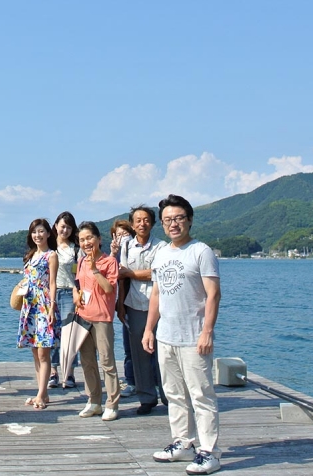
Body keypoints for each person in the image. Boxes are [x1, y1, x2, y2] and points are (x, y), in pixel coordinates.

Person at [143, 195, 222, 474]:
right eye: (167, 220)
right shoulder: (161, 253)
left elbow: (213, 295)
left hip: (193, 337)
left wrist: (207, 332)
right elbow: (156, 294)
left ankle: (209, 452)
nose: (173, 224)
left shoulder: (201, 251)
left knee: (201, 396)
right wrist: (149, 329)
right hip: (166, 336)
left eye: (178, 218)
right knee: (174, 394)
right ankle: (183, 442)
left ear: (189, 220)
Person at [118, 205, 167, 415]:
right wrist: (120, 304)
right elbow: (121, 276)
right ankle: (147, 397)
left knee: (163, 352)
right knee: (139, 354)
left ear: (153, 223)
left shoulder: (161, 246)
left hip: (160, 305)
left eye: (146, 220)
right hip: (134, 304)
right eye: (138, 220)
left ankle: (168, 396)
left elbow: (157, 274)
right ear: (132, 224)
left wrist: (131, 273)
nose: (142, 224)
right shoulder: (126, 246)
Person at [76, 221, 120, 421]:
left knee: (107, 361)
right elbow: (79, 284)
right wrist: (75, 294)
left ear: (99, 239)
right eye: (82, 240)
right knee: (87, 362)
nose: (86, 243)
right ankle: (94, 401)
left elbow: (109, 288)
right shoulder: (81, 261)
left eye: (89, 238)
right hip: (83, 317)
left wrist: (95, 269)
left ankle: (112, 403)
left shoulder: (109, 262)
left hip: (102, 318)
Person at [17, 218, 59, 410]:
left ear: (49, 234)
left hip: (43, 304)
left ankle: (41, 394)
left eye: (41, 231)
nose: (37, 235)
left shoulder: (51, 255)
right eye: (34, 232)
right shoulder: (31, 255)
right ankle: (42, 393)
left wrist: (52, 307)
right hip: (30, 305)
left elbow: (53, 283)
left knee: (43, 352)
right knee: (35, 351)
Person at [49, 211, 79, 390]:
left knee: (69, 334)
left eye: (69, 227)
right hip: (50, 293)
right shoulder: (49, 246)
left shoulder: (75, 249)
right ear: (55, 226)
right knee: (52, 333)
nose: (65, 230)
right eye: (62, 226)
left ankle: (69, 373)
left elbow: (80, 273)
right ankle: (53, 372)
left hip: (69, 293)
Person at [111, 219, 137, 399]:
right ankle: (131, 381)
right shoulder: (116, 255)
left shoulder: (136, 251)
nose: (122, 238)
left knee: (148, 345)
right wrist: (114, 253)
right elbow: (112, 276)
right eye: (118, 235)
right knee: (128, 346)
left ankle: (152, 381)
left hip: (142, 302)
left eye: (125, 233)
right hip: (125, 303)